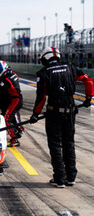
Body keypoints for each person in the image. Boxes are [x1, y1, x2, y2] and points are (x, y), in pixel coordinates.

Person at [29, 47, 93, 188]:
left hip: (54, 113)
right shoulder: (71, 68)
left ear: (45, 58)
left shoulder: (43, 73)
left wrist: (35, 115)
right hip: (70, 111)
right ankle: (71, 177)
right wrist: (88, 98)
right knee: (69, 143)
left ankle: (59, 178)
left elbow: (41, 98)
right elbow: (88, 81)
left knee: (56, 145)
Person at [0, 60, 24, 147]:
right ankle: (19, 129)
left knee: (6, 118)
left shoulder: (7, 79)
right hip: (13, 99)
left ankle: (14, 139)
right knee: (13, 114)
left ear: (2, 69)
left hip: (15, 100)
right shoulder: (12, 74)